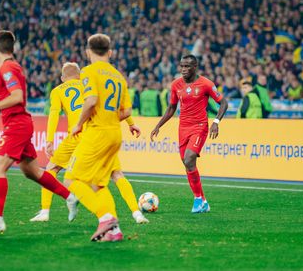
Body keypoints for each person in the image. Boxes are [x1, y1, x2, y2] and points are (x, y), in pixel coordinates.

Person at [0, 30, 77, 235]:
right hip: (21, 124)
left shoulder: (7, 68)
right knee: (33, 172)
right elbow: (9, 97)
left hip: (16, 125)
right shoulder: (13, 67)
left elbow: (17, 97)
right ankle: (70, 197)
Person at [30, 62, 149, 224]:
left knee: (51, 169)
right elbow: (115, 105)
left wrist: (49, 140)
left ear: (62, 77)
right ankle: (137, 213)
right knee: (116, 174)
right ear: (79, 76)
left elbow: (54, 114)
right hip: (96, 133)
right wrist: (131, 123)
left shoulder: (57, 91)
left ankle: (45, 211)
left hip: (75, 135)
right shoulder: (91, 85)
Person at [65, 33, 132, 242]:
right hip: (115, 133)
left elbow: (91, 100)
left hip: (97, 133)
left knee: (72, 180)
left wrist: (78, 123)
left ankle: (104, 218)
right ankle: (114, 231)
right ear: (110, 52)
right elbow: (127, 111)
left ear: (87, 52)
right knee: (98, 184)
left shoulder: (88, 71)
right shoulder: (119, 76)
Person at [150, 55, 228, 213]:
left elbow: (223, 103)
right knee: (188, 164)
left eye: (187, 66)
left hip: (199, 126)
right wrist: (158, 125)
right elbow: (171, 108)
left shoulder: (206, 84)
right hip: (183, 128)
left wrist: (216, 122)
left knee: (189, 158)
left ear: (195, 67)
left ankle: (197, 199)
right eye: (182, 66)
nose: (183, 70)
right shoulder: (175, 85)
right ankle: (203, 202)